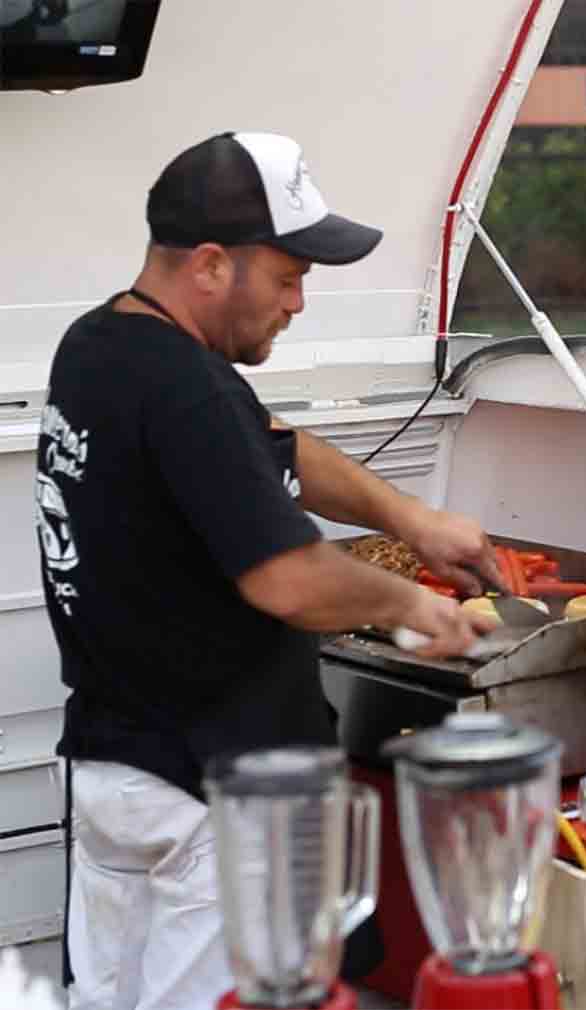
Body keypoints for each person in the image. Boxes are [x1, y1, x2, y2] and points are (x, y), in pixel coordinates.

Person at [34, 132, 505, 1010]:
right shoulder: (191, 388)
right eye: (287, 277)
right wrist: (417, 606)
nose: (297, 303)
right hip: (209, 797)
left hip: (115, 769)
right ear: (213, 264)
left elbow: (268, 450)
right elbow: (287, 580)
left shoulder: (101, 343)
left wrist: (413, 518)